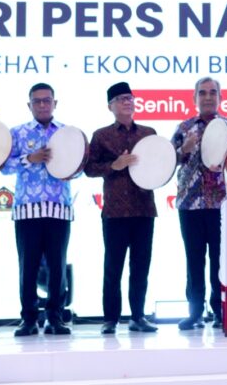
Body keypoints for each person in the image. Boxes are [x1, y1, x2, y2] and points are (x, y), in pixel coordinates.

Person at [85, 82, 158, 334]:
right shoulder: (101, 135)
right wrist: (113, 166)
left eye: (130, 98)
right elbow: (89, 168)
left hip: (144, 208)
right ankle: (110, 319)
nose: (127, 102)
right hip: (115, 211)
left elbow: (159, 164)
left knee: (141, 267)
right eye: (120, 99)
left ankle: (138, 316)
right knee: (113, 267)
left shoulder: (148, 133)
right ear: (110, 106)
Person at [2, 83, 75, 336]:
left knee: (57, 267)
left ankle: (55, 318)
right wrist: (29, 159)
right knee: (28, 267)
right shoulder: (17, 133)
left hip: (58, 208)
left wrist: (72, 171)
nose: (42, 105)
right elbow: (3, 166)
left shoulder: (67, 133)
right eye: (37, 101)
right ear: (29, 105)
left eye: (47, 100)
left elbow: (79, 166)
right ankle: (29, 319)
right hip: (27, 210)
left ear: (55, 103)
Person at [172, 77, 227, 330]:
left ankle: (221, 311)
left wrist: (226, 163)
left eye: (213, 92)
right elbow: (168, 162)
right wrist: (184, 149)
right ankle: (194, 312)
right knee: (194, 260)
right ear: (195, 98)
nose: (208, 97)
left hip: (222, 204)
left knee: (221, 260)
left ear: (220, 97)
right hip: (189, 204)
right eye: (202, 93)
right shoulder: (184, 127)